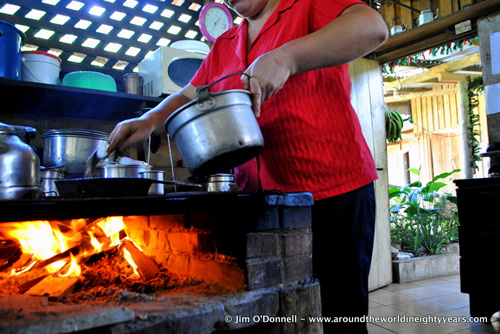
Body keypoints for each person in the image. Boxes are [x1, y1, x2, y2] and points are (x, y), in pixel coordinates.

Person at [107, 0, 388, 332]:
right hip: (260, 200)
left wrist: (287, 57)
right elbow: (189, 94)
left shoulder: (306, 5)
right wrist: (150, 119)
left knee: (339, 315)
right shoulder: (226, 43)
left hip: (331, 189)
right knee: (278, 315)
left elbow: (373, 28)